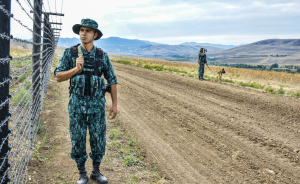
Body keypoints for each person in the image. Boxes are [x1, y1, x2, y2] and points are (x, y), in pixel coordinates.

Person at [54, 18, 118, 184]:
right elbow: (58, 76)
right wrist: (76, 69)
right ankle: (82, 173)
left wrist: (114, 104)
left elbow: (112, 80)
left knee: (98, 139)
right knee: (77, 139)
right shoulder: (70, 54)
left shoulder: (102, 56)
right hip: (76, 106)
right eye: (81, 30)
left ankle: (96, 171)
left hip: (97, 107)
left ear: (95, 35)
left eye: (88, 31)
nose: (83, 33)